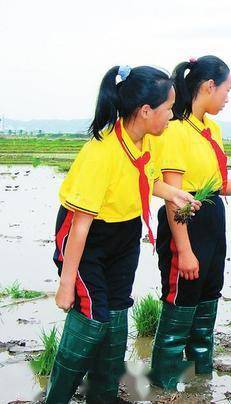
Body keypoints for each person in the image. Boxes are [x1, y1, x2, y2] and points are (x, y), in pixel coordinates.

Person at [47, 65, 199, 403]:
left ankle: (102, 397)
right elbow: (81, 224)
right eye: (168, 109)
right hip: (85, 238)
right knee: (92, 319)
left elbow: (142, 179)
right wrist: (66, 283)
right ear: (146, 111)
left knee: (116, 319)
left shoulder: (144, 141)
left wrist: (173, 194)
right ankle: (55, 397)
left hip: (125, 234)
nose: (172, 116)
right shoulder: (100, 153)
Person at [149, 56, 231, 389]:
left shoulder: (210, 128)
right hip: (185, 225)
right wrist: (184, 251)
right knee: (181, 303)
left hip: (214, 222)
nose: (228, 98)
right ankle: (164, 386)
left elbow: (211, 183)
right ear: (208, 87)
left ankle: (202, 382)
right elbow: (175, 194)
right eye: (227, 90)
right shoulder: (175, 130)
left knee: (207, 301)